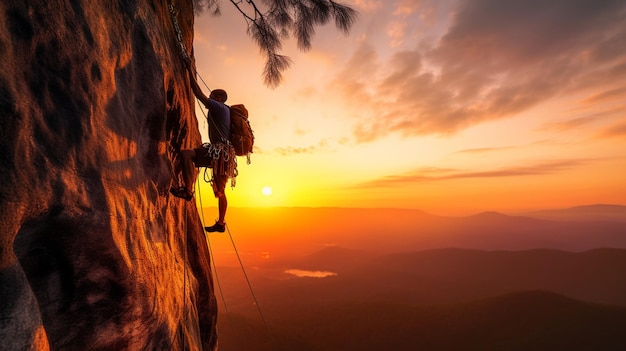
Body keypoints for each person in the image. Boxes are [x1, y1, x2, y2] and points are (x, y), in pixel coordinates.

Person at [170, 70, 236, 233]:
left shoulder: (219, 107)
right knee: (221, 191)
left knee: (186, 155)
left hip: (219, 152)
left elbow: (198, 93)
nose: (210, 97)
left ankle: (187, 190)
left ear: (220, 98)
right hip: (223, 154)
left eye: (213, 96)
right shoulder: (225, 110)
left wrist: (188, 71)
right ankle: (220, 223)